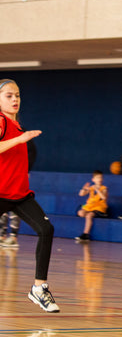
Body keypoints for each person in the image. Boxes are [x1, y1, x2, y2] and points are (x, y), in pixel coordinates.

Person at [0, 78, 59, 313]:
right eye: (9, 96)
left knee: (46, 230)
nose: (15, 99)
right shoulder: (2, 121)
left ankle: (39, 288)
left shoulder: (17, 125)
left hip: (20, 195)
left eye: (17, 95)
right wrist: (20, 139)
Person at [75, 170, 108, 242]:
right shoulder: (91, 188)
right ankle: (86, 230)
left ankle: (86, 234)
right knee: (80, 212)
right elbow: (81, 194)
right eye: (98, 177)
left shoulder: (104, 188)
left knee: (89, 216)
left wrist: (97, 190)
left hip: (99, 208)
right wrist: (84, 189)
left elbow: (104, 197)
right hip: (90, 207)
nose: (100, 179)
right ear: (93, 179)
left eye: (101, 177)